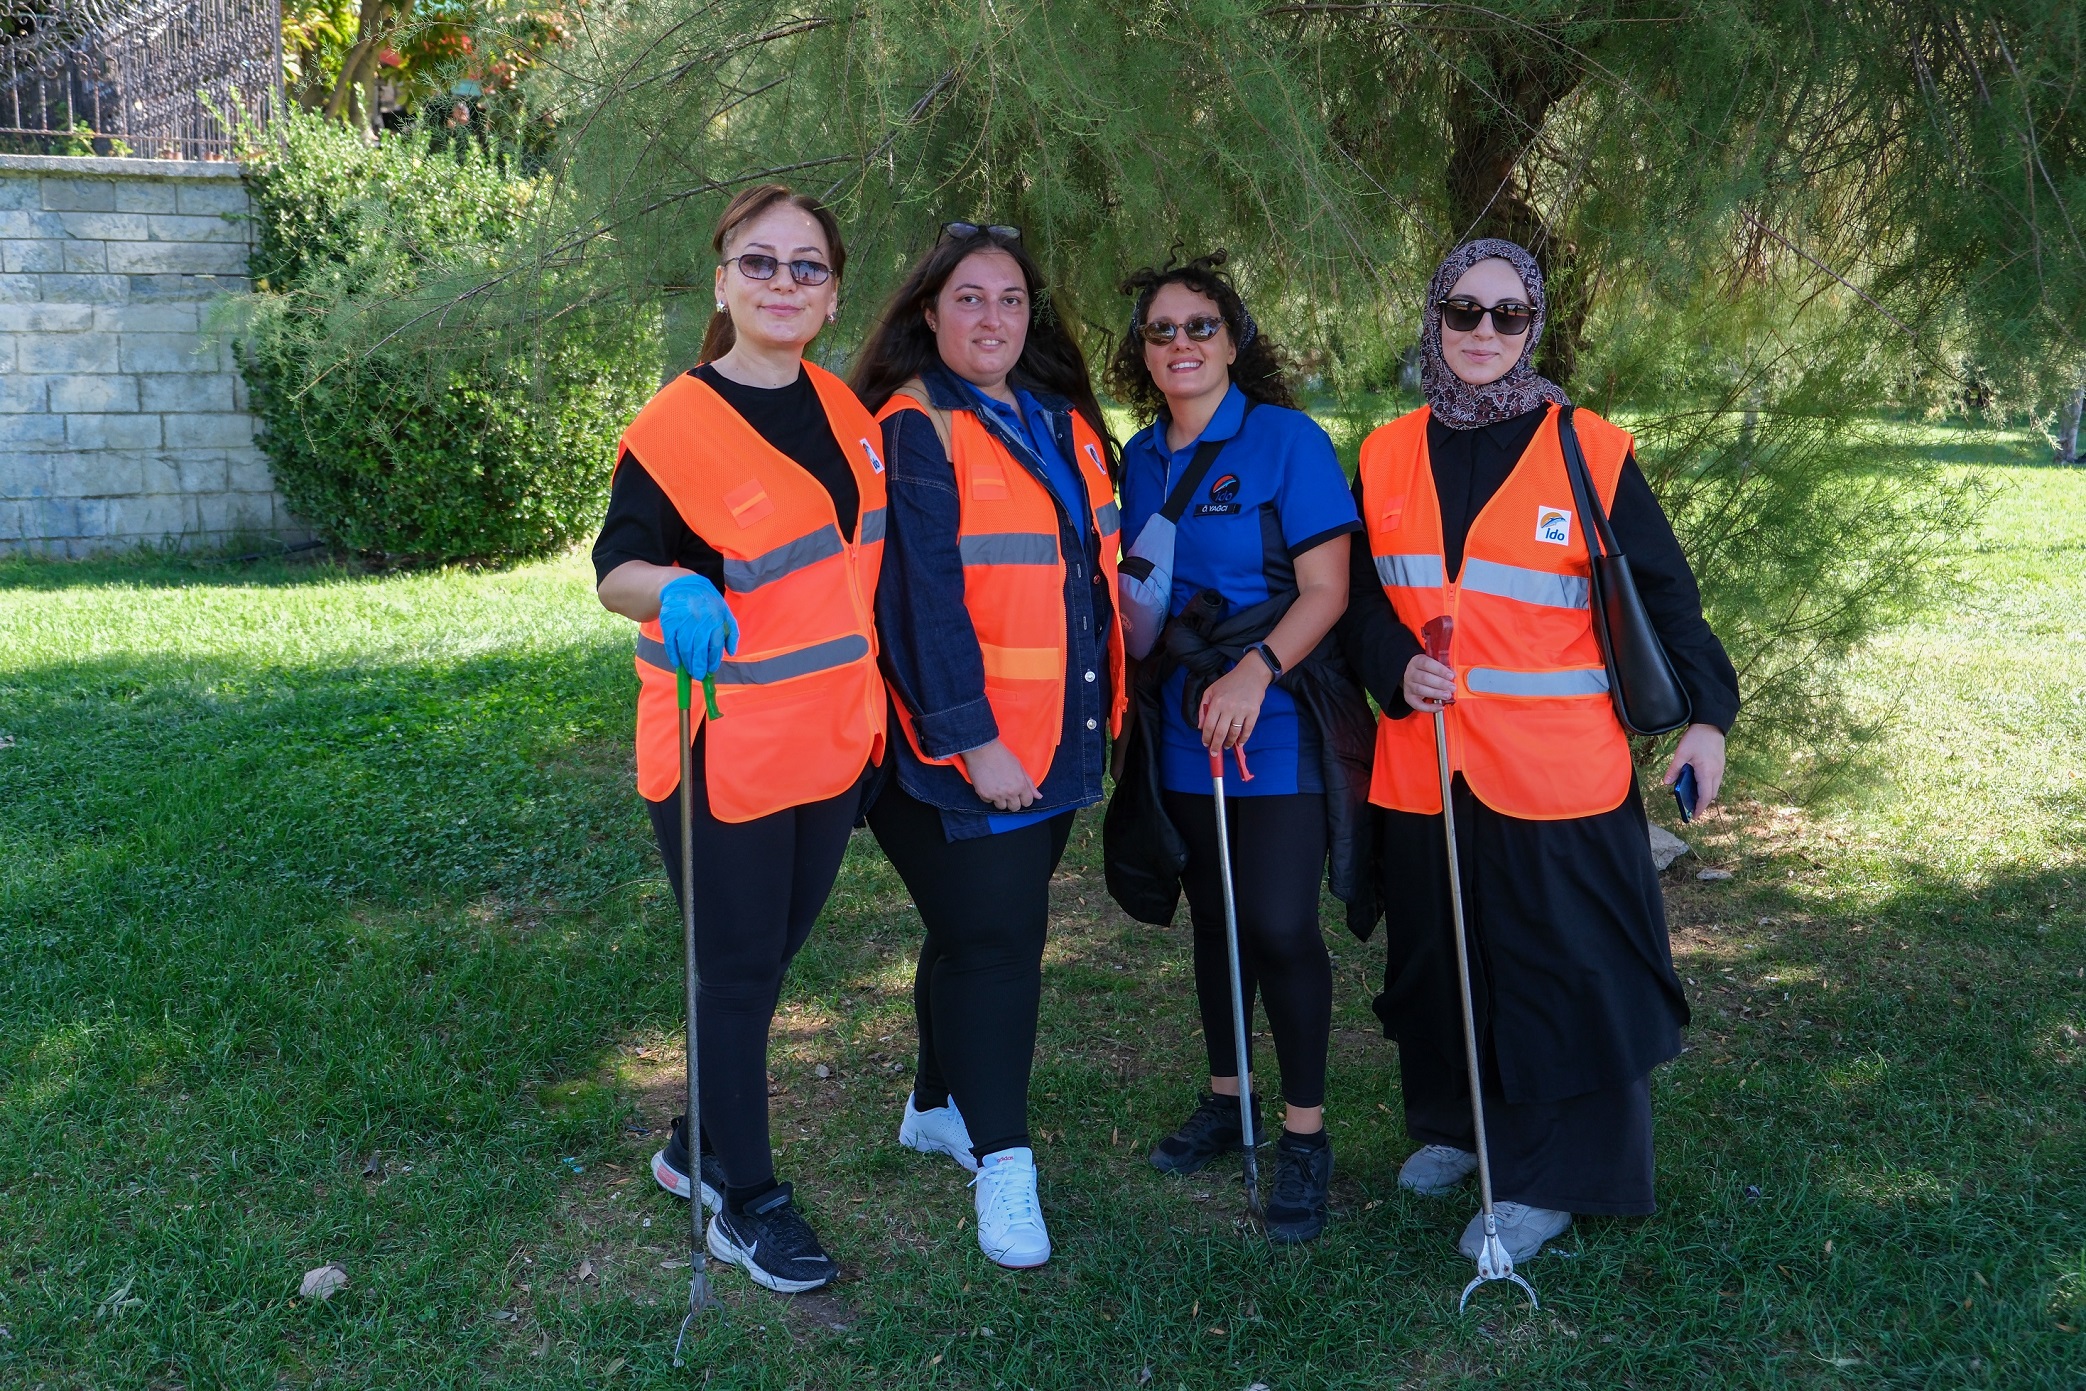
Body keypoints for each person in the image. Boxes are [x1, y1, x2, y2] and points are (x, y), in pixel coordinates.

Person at [1339, 238, 1740, 1263]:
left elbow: (1665, 596)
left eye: (1507, 314)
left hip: (1556, 774)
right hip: (1427, 765)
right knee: (1439, 958)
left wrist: (1708, 715)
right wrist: (1394, 665)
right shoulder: (1384, 451)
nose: (1483, 332)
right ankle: (1462, 1121)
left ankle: (1546, 1180)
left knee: (1558, 974)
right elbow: (1361, 600)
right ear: (1434, 316)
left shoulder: (1587, 448)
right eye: (1463, 311)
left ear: (1534, 327)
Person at [591, 184, 887, 1295]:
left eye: (807, 266)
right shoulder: (676, 425)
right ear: (723, 282)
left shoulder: (846, 413)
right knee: (736, 967)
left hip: (834, 739)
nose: (782, 283)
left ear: (833, 295)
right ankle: (744, 1198)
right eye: (759, 262)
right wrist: (670, 587)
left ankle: (692, 1140)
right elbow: (616, 567)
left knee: (767, 959)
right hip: (722, 750)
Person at [849, 222, 1123, 1270]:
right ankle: (1005, 1163)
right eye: (969, 297)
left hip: (1056, 736)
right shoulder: (915, 425)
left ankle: (934, 1104)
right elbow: (917, 599)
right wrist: (975, 742)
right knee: (1000, 945)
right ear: (929, 313)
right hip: (962, 748)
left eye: (1010, 299)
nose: (992, 317)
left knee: (972, 930)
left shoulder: (1057, 421)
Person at [1104, 251, 1374, 1244]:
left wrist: (1255, 671)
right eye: (1161, 329)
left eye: (1201, 326)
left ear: (1234, 339)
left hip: (1276, 716)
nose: (1181, 342)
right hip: (1181, 720)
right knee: (1215, 919)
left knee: (1279, 923)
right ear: (1142, 351)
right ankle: (1229, 1097)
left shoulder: (1286, 441)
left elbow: (1329, 590)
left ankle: (1303, 1133)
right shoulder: (1138, 458)